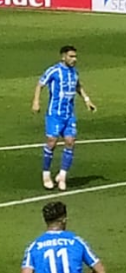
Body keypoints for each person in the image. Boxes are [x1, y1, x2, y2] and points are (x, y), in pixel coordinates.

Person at [32, 45, 97, 191]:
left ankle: (62, 176)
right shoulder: (54, 71)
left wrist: (87, 100)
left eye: (75, 56)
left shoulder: (74, 72)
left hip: (69, 115)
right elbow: (40, 84)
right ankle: (46, 175)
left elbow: (78, 86)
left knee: (70, 141)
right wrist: (36, 101)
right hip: (55, 114)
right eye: (71, 56)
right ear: (63, 57)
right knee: (51, 142)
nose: (74, 59)